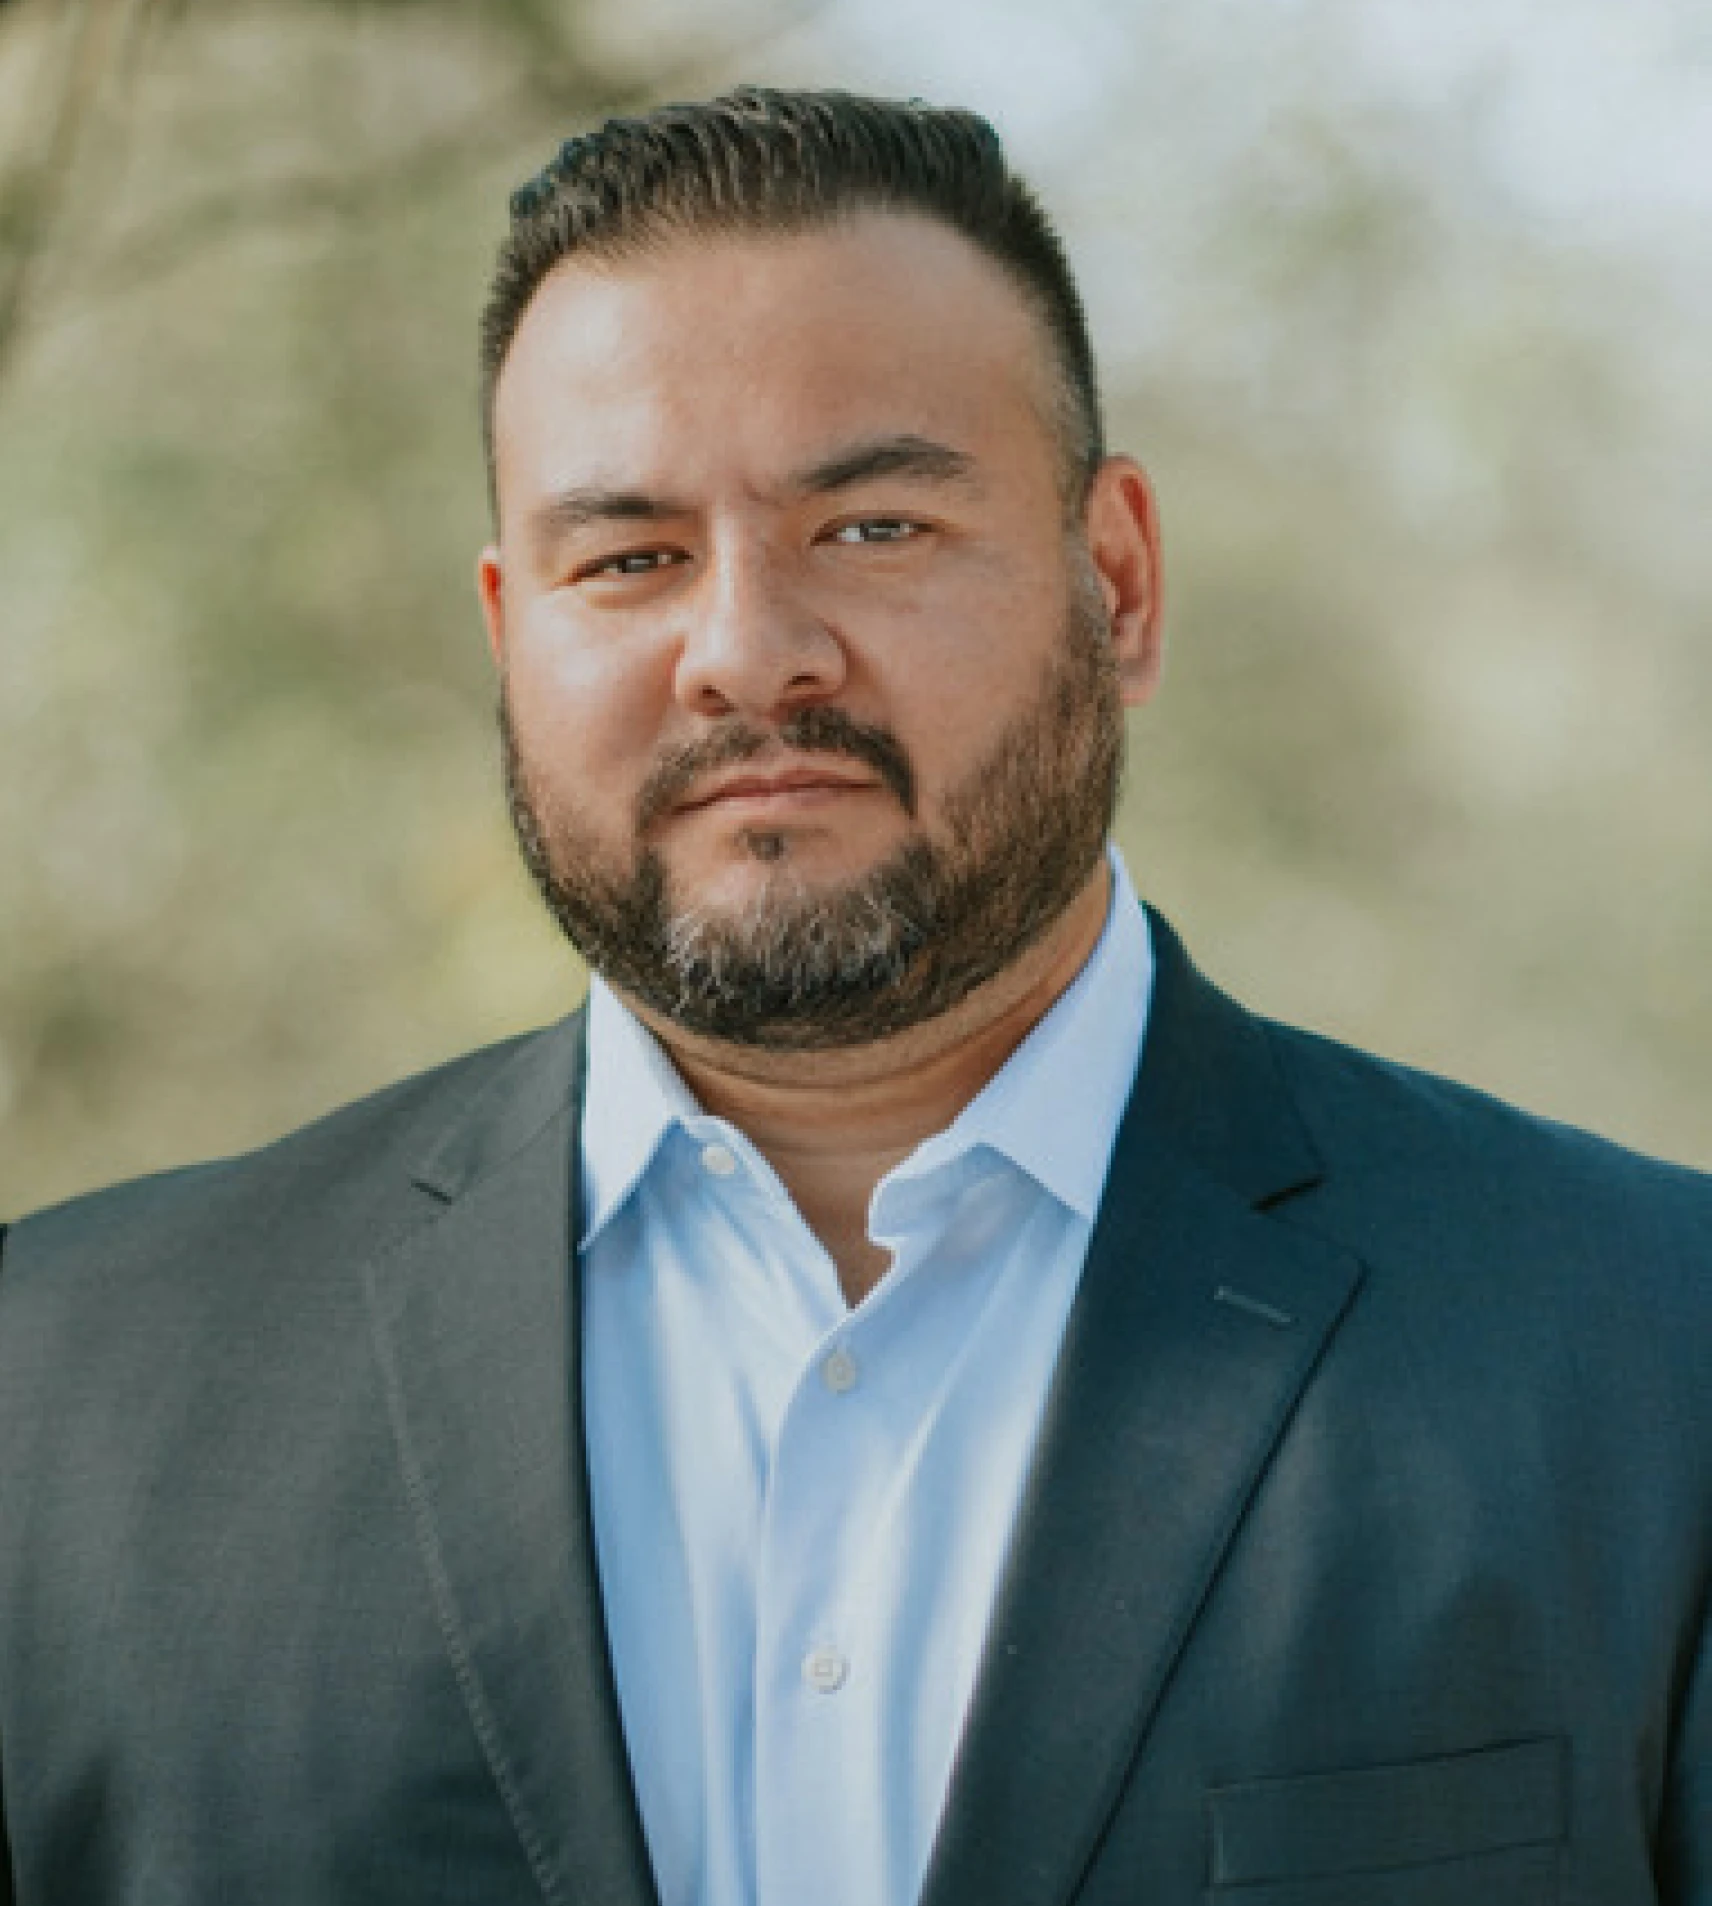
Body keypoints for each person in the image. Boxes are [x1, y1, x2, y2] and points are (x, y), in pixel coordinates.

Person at [0, 85, 1706, 1906]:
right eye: (629, 557)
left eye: (874, 527)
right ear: (510, 633)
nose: (744, 652)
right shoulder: (57, 1397)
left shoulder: (1655, 1357)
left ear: (1114, 584)